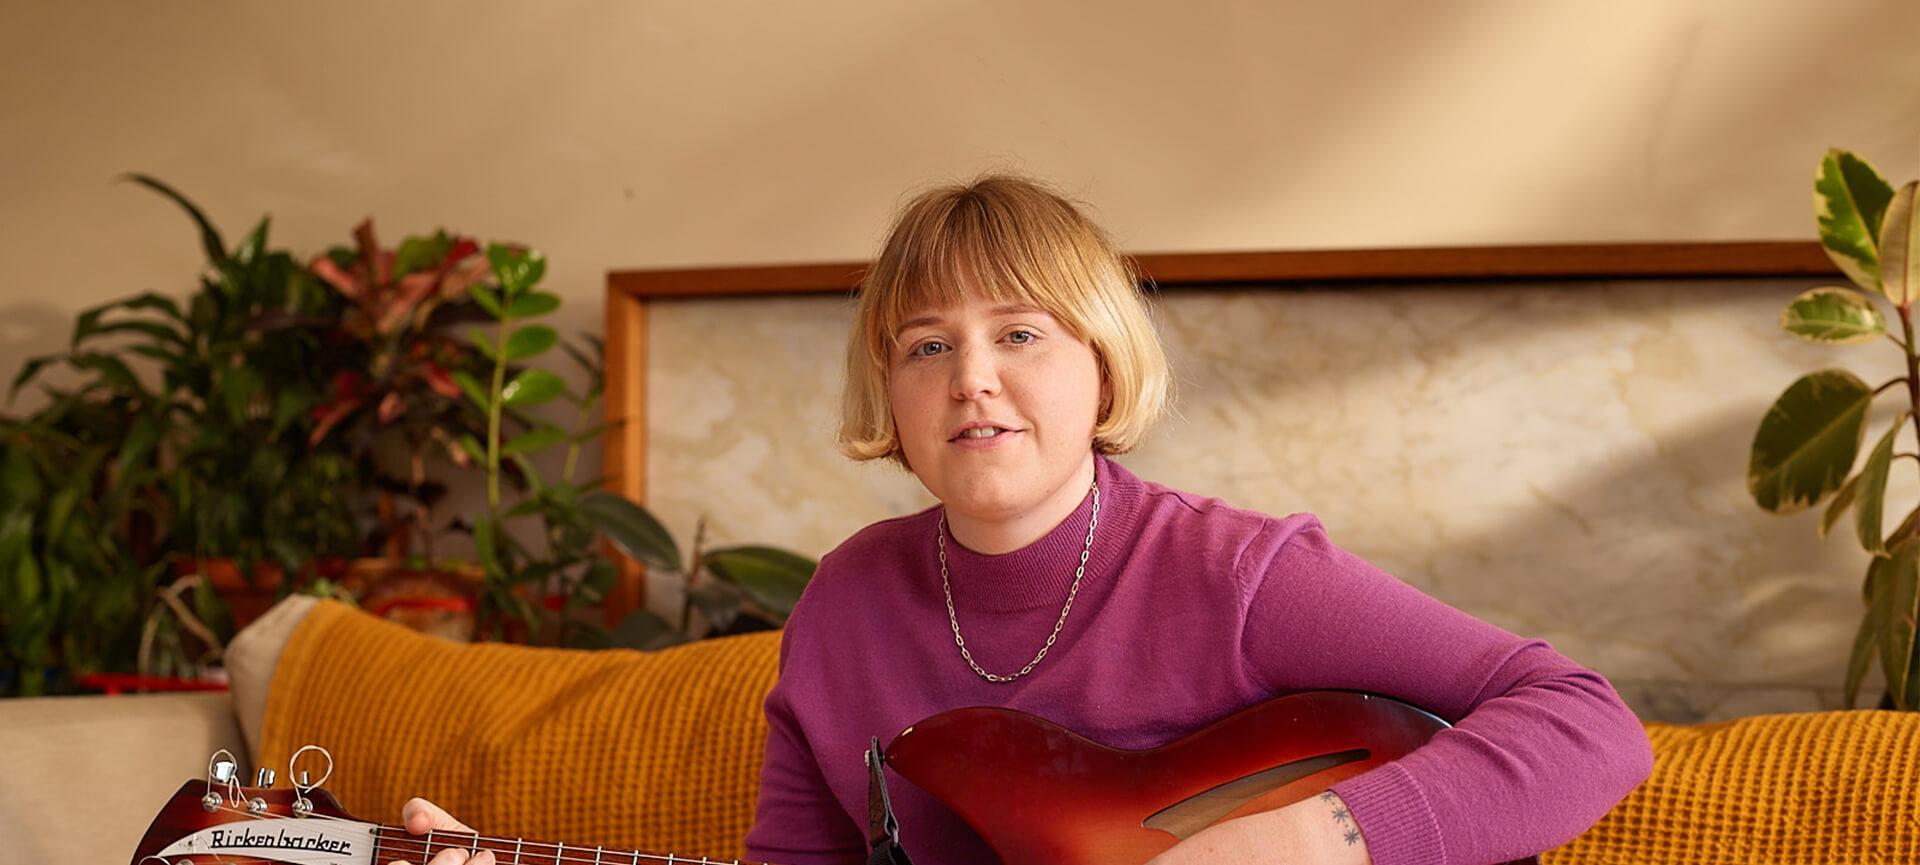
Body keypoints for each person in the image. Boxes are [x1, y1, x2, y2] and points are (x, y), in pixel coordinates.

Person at [390, 175, 1653, 865]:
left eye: (1021, 333)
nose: (971, 376)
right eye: (926, 343)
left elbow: (1587, 719)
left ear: (1102, 368)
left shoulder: (1235, 572)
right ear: (890, 390)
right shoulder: (843, 607)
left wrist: (1312, 839)